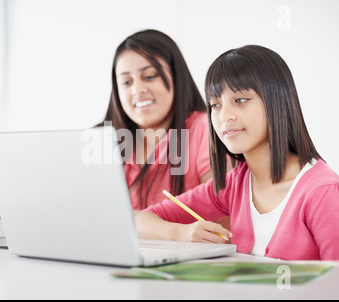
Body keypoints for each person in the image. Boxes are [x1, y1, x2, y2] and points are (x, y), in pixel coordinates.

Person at [135, 45, 339, 260]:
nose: (224, 116)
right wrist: (181, 233)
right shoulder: (235, 184)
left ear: (276, 101)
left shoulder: (323, 192)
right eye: (215, 104)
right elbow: (140, 221)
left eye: (240, 100)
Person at [100, 29, 213, 210]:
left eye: (150, 76)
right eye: (126, 82)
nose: (138, 90)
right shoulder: (102, 140)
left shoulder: (205, 130)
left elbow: (221, 223)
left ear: (177, 77)